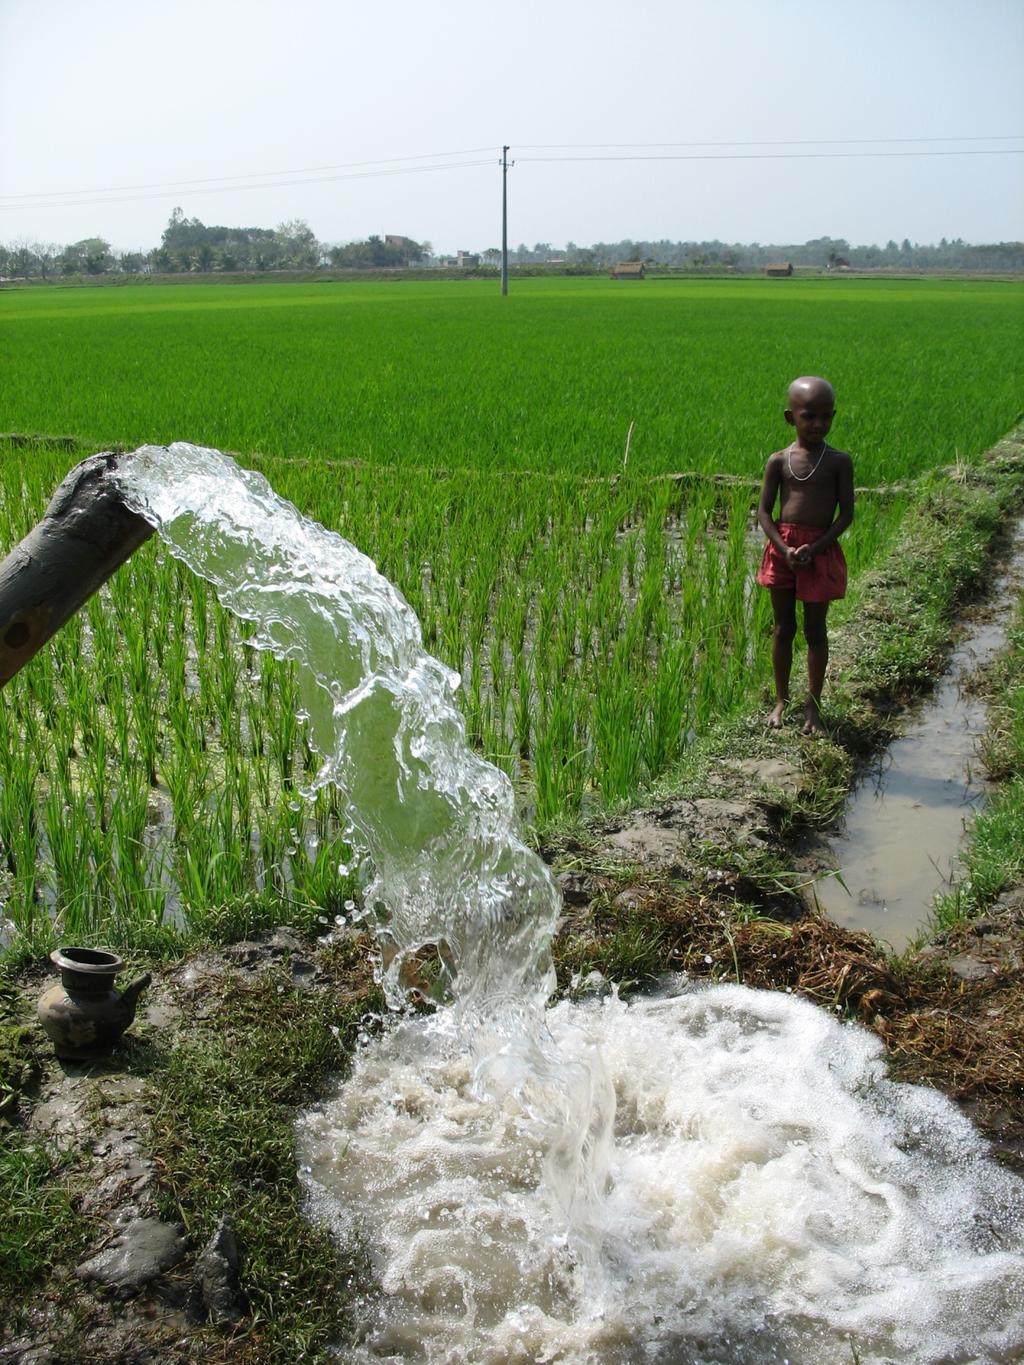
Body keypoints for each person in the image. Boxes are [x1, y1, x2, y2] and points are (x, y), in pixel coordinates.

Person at [756, 375, 854, 734]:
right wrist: (784, 548)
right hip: (783, 549)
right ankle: (782, 700)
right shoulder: (778, 461)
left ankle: (813, 706)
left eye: (826, 416)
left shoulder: (838, 462)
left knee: (816, 630)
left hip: (819, 551)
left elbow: (846, 514)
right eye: (809, 416)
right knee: (783, 628)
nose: (818, 424)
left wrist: (816, 547)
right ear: (790, 417)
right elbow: (765, 513)